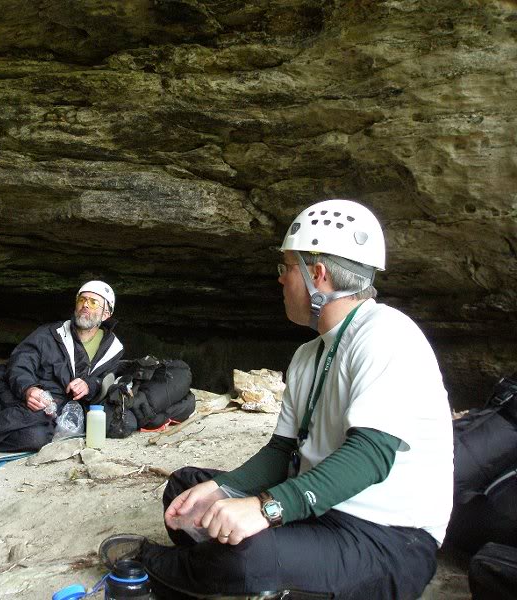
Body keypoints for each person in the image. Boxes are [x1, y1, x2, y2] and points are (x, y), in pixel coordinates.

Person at [100, 200, 454, 599]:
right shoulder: (307, 356)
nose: (281, 280)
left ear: (317, 275)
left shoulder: (387, 334)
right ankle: (241, 571)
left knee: (246, 560)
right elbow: (281, 452)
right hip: (317, 510)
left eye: (286, 268)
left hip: (385, 539)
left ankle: (160, 568)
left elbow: (370, 454)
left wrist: (265, 508)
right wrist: (224, 487)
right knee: (186, 490)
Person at [0, 280, 124, 459]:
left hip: (52, 412)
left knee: (37, 439)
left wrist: (89, 385)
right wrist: (29, 389)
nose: (85, 306)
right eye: (82, 300)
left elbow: (106, 379)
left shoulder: (113, 348)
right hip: (14, 392)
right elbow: (20, 364)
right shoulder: (50, 334)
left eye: (93, 302)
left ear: (106, 314)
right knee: (38, 412)